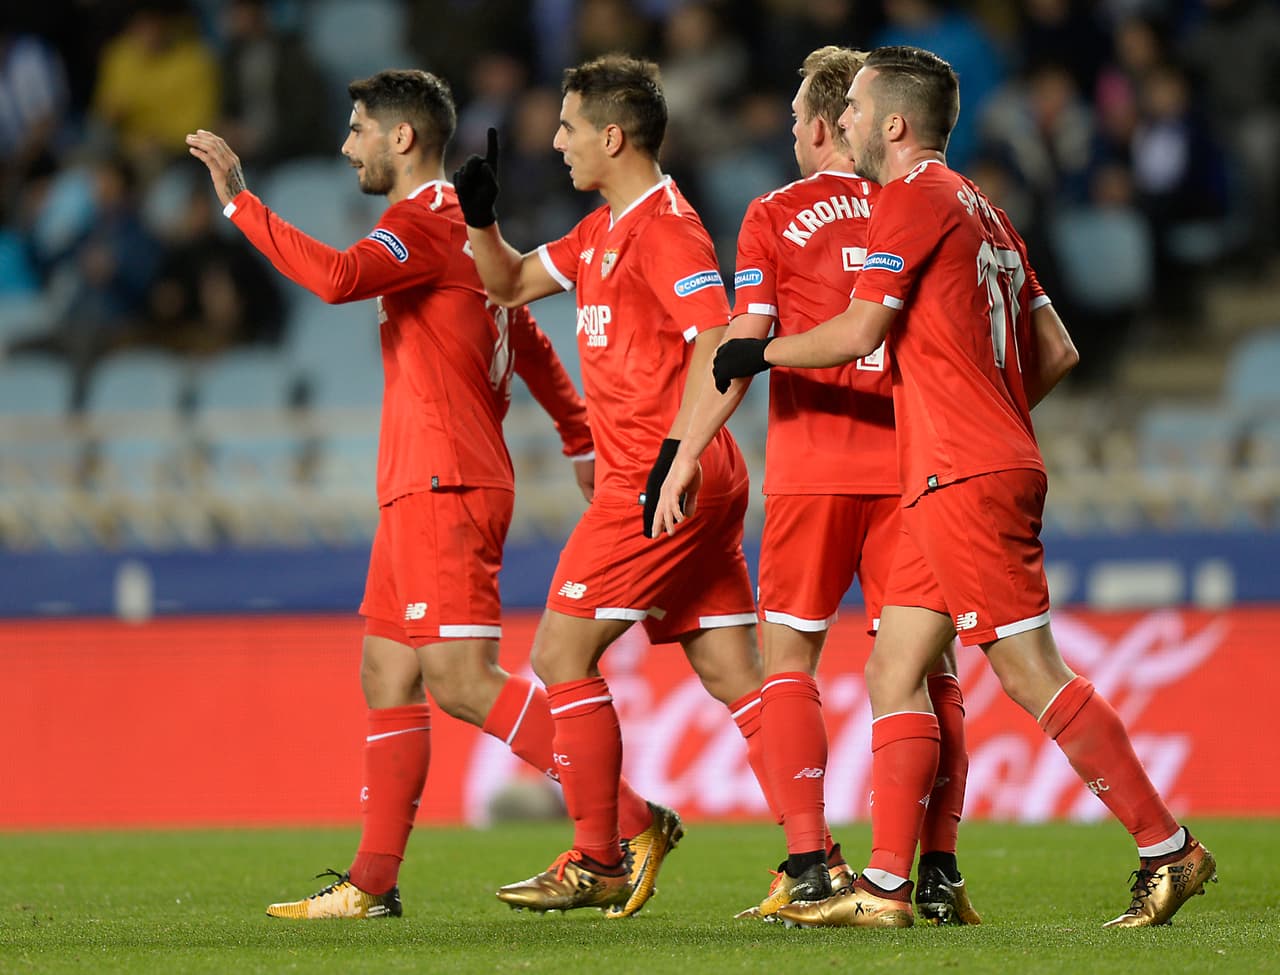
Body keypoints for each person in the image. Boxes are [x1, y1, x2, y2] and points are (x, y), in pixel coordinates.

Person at [713, 45, 1216, 930]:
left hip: (963, 473)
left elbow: (860, 329)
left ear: (895, 124)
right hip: (977, 459)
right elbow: (1055, 350)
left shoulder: (911, 198)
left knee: (1030, 670)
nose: (848, 124)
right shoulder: (983, 205)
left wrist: (758, 351)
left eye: (860, 110)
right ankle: (887, 889)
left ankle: (1168, 847)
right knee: (895, 668)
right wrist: (983, 403)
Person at [186, 68, 665, 920]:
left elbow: (335, 278)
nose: (346, 146)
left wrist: (240, 205)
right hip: (418, 481)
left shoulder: (426, 225)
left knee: (459, 678)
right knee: (388, 671)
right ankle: (371, 884)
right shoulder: (464, 236)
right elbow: (527, 334)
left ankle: (629, 820)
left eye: (357, 128)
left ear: (401, 138)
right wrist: (578, 432)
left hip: (447, 480)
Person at [653, 45, 978, 926]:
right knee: (923, 667)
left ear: (827, 124)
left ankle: (807, 863)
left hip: (812, 474)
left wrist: (686, 450)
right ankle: (933, 873)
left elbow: (739, 348)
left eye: (798, 120)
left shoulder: (772, 214)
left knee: (790, 662)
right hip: (918, 467)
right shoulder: (922, 202)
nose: (792, 134)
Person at [453, 54, 774, 916]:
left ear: (612, 135)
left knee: (560, 656)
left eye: (566, 127)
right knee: (730, 669)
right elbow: (511, 284)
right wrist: (481, 221)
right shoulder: (600, 233)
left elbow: (720, 346)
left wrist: (672, 459)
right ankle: (815, 857)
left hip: (660, 479)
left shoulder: (666, 227)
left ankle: (599, 854)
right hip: (691, 480)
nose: (554, 143)